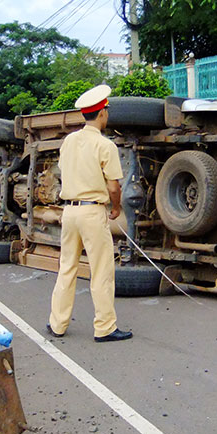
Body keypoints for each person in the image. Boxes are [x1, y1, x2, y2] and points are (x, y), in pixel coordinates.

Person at [47, 84, 133, 341]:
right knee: (101, 270)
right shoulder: (106, 146)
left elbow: (64, 170)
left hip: (69, 212)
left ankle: (57, 324)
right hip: (92, 213)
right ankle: (105, 327)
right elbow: (114, 186)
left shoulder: (69, 141)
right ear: (103, 113)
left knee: (67, 268)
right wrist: (116, 208)